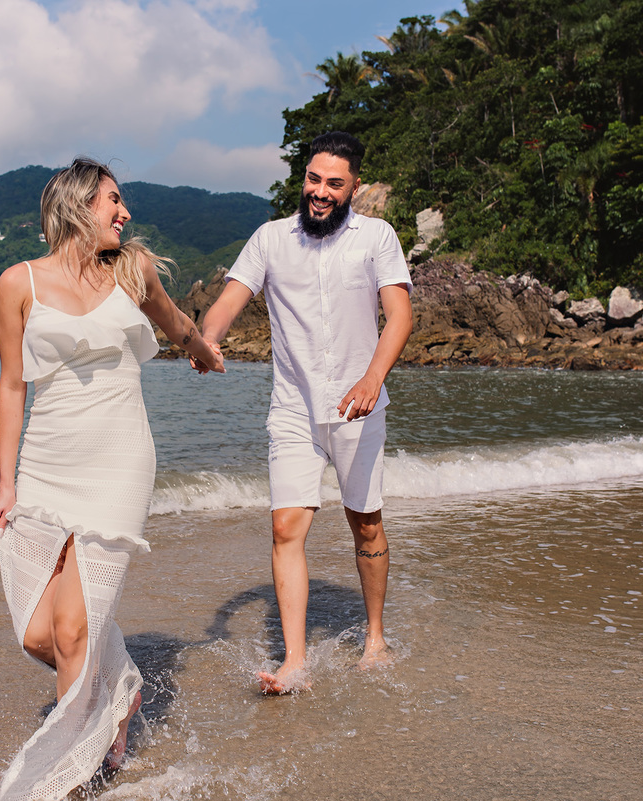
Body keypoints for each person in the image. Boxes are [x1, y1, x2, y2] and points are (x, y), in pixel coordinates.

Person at [0, 157, 224, 799]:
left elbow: (174, 323)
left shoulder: (132, 268)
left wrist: (201, 350)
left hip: (120, 460)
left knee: (73, 629)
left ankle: (72, 775)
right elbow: (11, 387)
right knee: (40, 633)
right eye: (113, 200)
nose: (125, 212)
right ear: (76, 205)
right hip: (47, 462)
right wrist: (6, 482)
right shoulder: (18, 284)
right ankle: (120, 687)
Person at [197, 131, 413, 694]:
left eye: (334, 184)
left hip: (359, 406)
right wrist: (207, 339)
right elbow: (228, 301)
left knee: (365, 522)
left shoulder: (377, 237)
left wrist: (372, 378)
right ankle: (295, 661)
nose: (320, 192)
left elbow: (400, 316)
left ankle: (375, 638)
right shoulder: (271, 238)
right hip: (293, 407)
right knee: (285, 527)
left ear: (354, 187)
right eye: (313, 179)